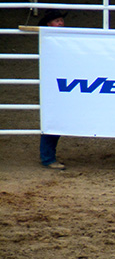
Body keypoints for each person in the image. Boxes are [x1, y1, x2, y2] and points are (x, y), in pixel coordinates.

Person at [36, 10, 67, 169]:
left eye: (61, 20)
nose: (60, 23)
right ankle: (48, 157)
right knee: (53, 119)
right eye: (57, 21)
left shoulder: (67, 39)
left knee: (55, 119)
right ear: (48, 24)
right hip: (58, 84)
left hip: (64, 83)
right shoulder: (49, 40)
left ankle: (48, 157)